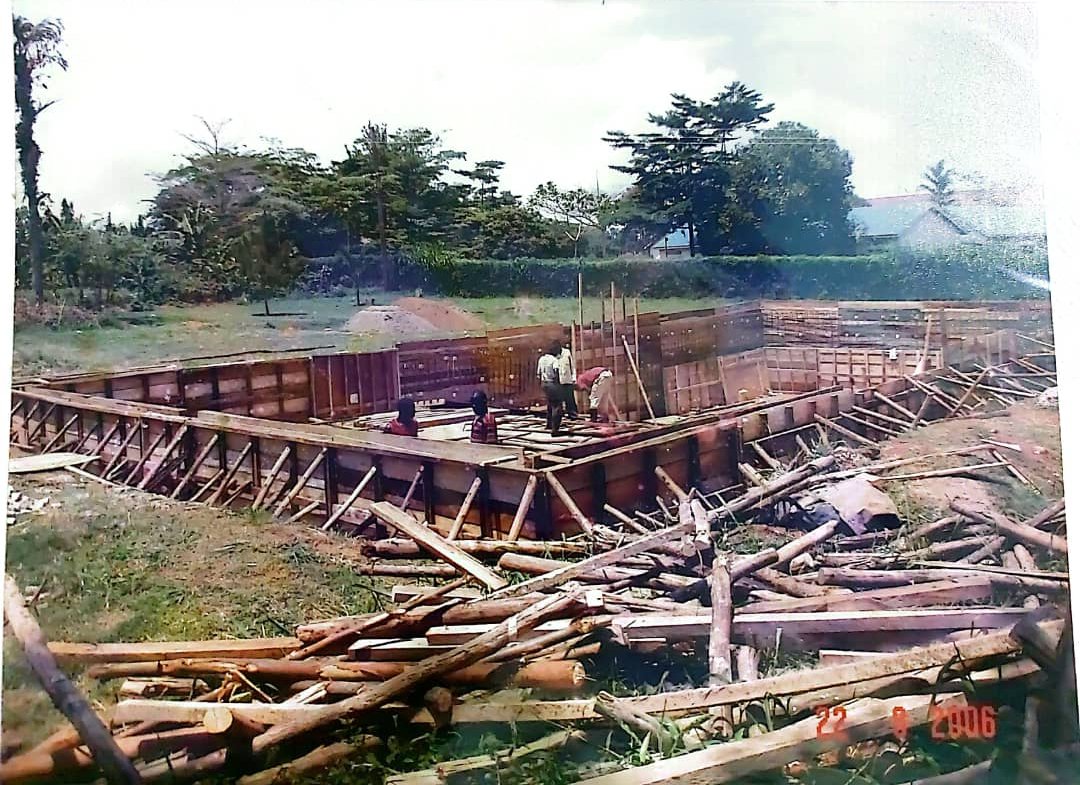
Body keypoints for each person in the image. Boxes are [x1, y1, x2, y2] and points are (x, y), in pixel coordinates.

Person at [537, 340, 564, 436]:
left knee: (550, 403)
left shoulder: (541, 359)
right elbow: (556, 373)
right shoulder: (554, 360)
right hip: (552, 383)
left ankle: (548, 424)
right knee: (557, 406)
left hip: (544, 383)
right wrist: (559, 386)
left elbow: (538, 374)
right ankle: (555, 429)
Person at [557, 340, 578, 419]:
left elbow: (572, 366)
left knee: (570, 399)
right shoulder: (553, 356)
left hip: (567, 379)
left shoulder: (567, 352)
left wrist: (573, 377)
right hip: (558, 381)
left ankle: (573, 414)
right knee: (559, 399)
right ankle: (560, 414)